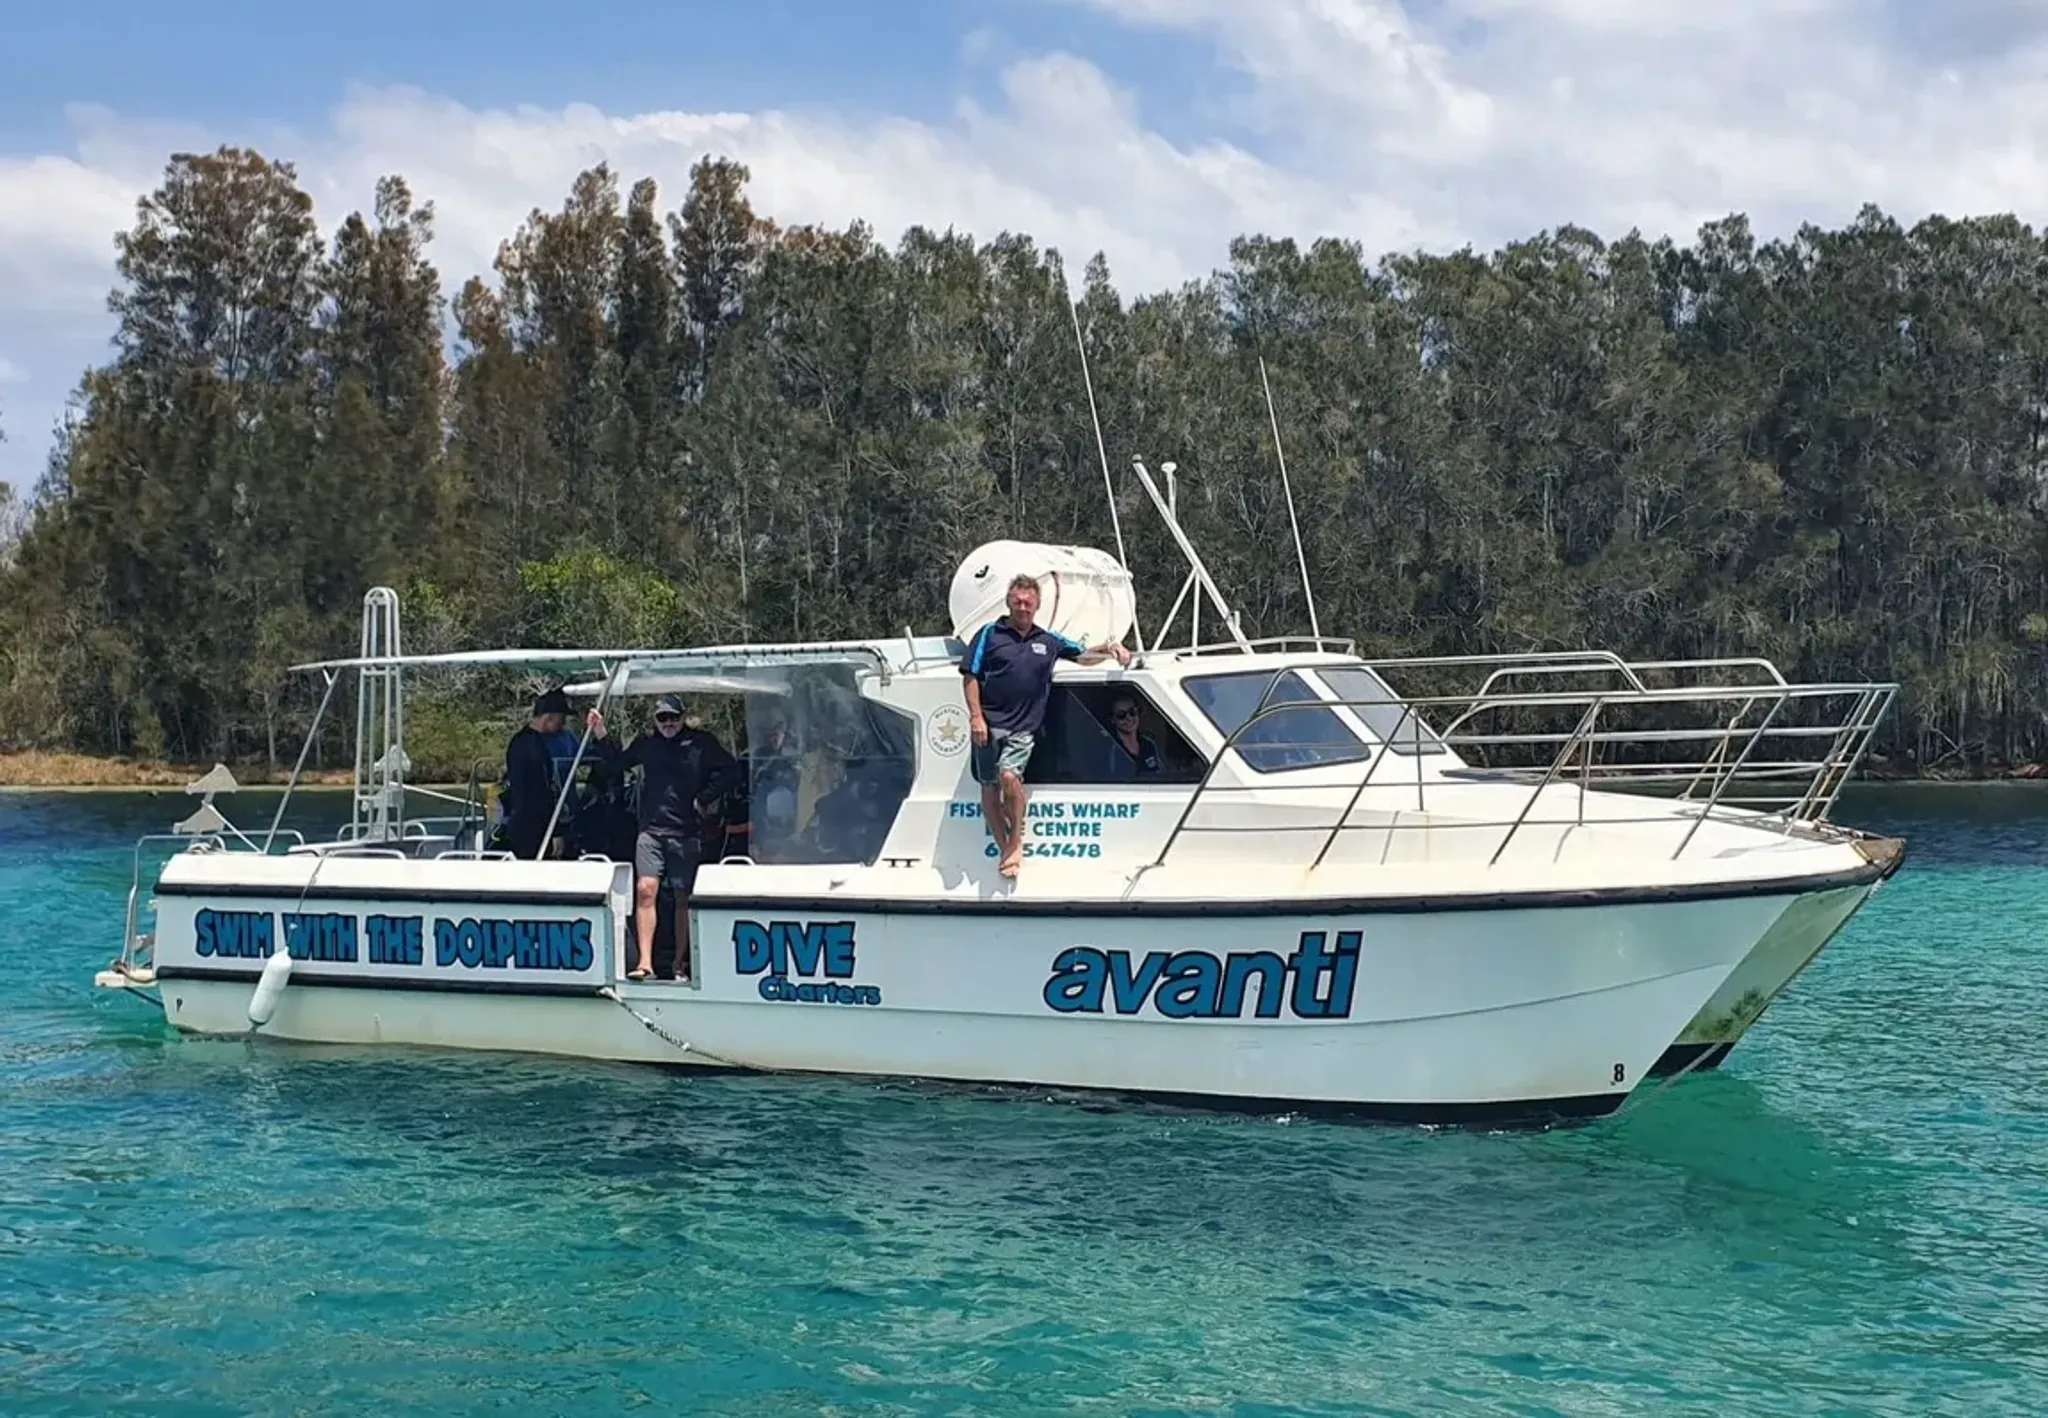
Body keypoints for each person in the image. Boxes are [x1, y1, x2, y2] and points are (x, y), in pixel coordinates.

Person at [960, 573, 1131, 877]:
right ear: (1008, 603)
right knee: (989, 786)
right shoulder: (988, 634)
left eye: (1028, 603)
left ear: (1037, 605)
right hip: (987, 724)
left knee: (1009, 776)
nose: (1023, 607)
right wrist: (975, 717)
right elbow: (970, 675)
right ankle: (1004, 847)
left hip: (1022, 727)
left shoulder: (1048, 640)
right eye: (1017, 602)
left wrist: (1111, 647)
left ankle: (1015, 842)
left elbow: (1083, 655)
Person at [589, 695, 743, 981]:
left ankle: (679, 963)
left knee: (683, 896)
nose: (668, 723)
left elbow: (732, 770)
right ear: (655, 720)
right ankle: (645, 963)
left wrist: (705, 798)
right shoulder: (647, 744)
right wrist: (600, 733)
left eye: (674, 717)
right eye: (662, 718)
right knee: (645, 890)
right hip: (650, 831)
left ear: (683, 718)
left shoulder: (700, 743)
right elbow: (615, 764)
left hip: (687, 832)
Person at [500, 688, 596, 860]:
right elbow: (541, 792)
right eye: (561, 719)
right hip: (534, 826)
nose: (563, 724)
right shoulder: (533, 748)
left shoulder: (520, 742)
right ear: (548, 717)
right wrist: (555, 831)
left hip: (525, 821)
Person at [1109, 694, 1162, 776]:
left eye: (1132, 712)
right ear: (1112, 719)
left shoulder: (1149, 745)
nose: (1129, 718)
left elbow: (1159, 774)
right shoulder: (1111, 749)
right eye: (1121, 715)